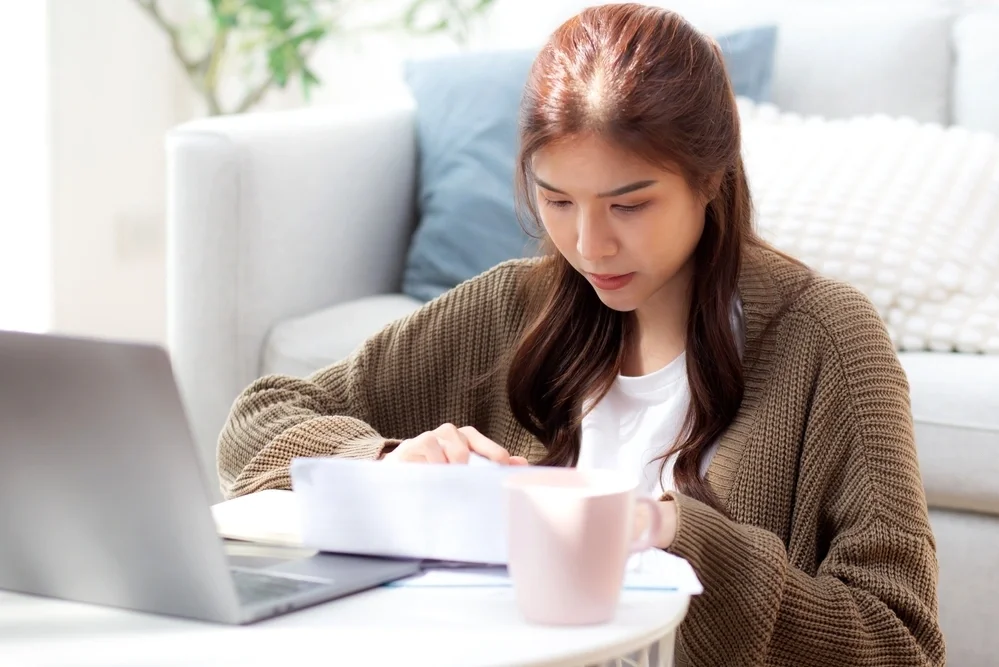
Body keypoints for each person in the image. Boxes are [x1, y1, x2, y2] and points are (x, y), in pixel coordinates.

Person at [217, 3, 944, 665]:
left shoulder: (826, 338)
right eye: (558, 200)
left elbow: (902, 640)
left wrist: (669, 533)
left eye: (629, 205)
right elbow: (259, 421)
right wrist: (383, 460)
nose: (590, 245)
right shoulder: (509, 307)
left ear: (710, 179)